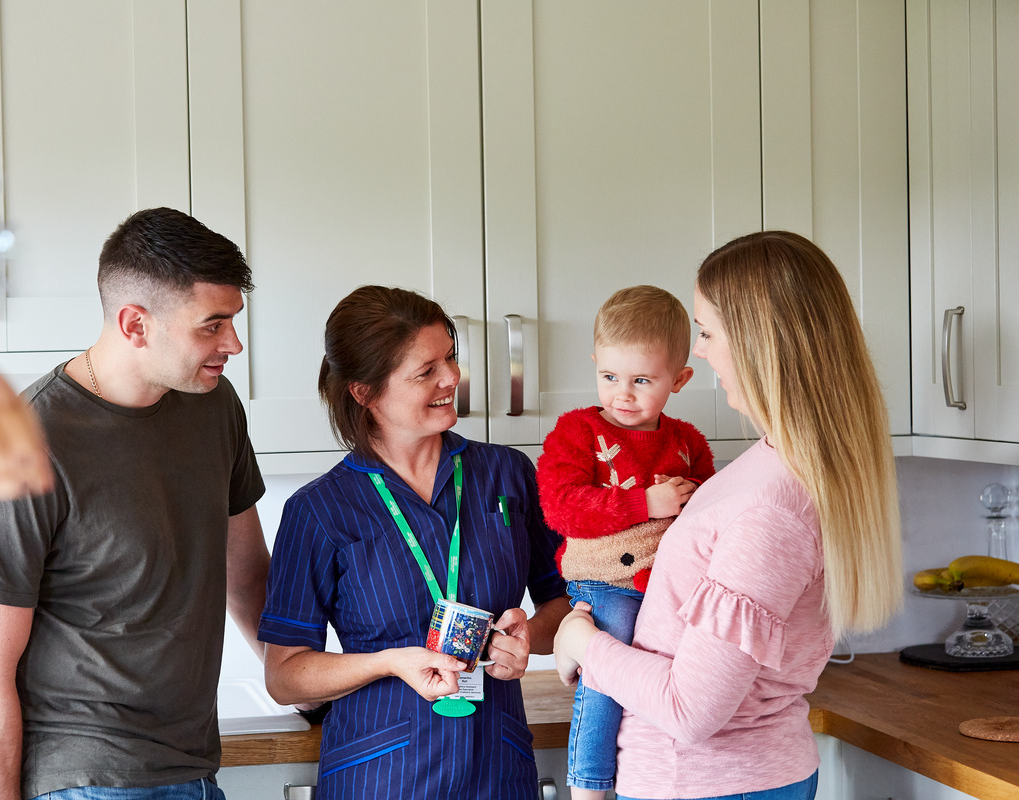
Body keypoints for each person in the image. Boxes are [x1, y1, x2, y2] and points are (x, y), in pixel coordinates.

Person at [0, 208, 270, 800]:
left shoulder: (213, 407)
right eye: (212, 325)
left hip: (193, 769)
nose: (233, 344)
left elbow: (245, 575)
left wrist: (302, 678)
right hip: (86, 778)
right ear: (135, 323)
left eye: (233, 322)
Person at [554, 231, 903, 800]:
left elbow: (688, 709)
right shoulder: (774, 464)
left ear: (757, 342)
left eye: (708, 331)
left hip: (708, 784)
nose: (698, 350)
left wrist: (580, 643)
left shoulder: (771, 507)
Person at [258, 285, 572, 799]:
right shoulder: (319, 510)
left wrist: (529, 638)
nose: (452, 378)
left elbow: (564, 602)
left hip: (498, 769)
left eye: (450, 358)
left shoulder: (508, 475)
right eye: (426, 371)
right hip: (380, 777)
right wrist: (389, 661)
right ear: (364, 392)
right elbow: (286, 676)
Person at [536, 285, 715, 800]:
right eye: (610, 376)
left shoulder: (688, 442)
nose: (623, 394)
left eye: (642, 380)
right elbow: (561, 507)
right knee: (608, 668)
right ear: (595, 363)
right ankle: (589, 787)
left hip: (669, 587)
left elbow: (706, 518)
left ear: (679, 379)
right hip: (608, 583)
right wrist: (645, 504)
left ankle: (662, 772)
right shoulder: (577, 432)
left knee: (676, 682)